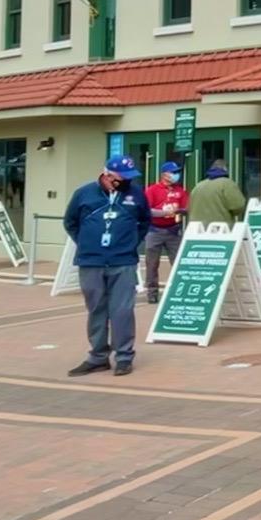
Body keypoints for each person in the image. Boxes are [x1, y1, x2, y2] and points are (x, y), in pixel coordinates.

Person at [62, 155, 151, 376]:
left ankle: (124, 356)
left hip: (123, 261)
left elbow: (145, 221)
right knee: (96, 310)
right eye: (123, 177)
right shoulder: (84, 193)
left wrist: (130, 243)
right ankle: (98, 357)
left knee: (122, 311)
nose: (127, 181)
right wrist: (86, 243)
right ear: (108, 175)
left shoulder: (136, 194)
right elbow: (70, 222)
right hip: (91, 261)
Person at [140, 160, 188, 303]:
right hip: (155, 230)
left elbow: (186, 208)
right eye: (173, 172)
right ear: (164, 174)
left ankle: (180, 290)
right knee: (152, 263)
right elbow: (146, 210)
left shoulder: (180, 191)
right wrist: (163, 212)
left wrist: (179, 211)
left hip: (173, 230)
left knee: (179, 262)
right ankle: (152, 292)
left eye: (177, 172)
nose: (176, 175)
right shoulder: (152, 190)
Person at [186, 158, 247, 229]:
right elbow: (238, 206)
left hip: (196, 231)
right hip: (219, 230)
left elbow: (189, 207)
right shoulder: (227, 184)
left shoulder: (198, 186)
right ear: (225, 169)